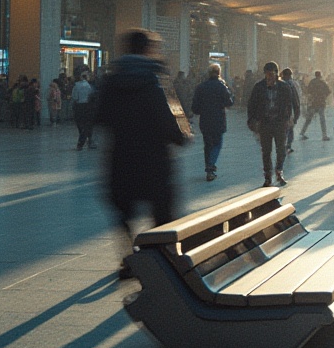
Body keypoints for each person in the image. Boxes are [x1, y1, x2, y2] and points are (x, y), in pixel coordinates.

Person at [97, 30, 188, 278]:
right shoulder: (158, 79)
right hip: (155, 163)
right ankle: (162, 260)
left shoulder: (111, 80)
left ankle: (129, 259)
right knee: (162, 215)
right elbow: (176, 120)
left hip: (121, 161)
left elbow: (99, 115)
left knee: (124, 213)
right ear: (149, 49)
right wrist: (181, 137)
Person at [247, 62, 299, 186]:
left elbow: (294, 103)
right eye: (267, 74)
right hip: (264, 123)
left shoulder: (284, 87)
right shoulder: (259, 87)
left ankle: (279, 170)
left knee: (281, 149)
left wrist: (293, 118)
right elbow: (251, 105)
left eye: (271, 74)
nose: (269, 77)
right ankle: (267, 176)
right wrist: (252, 120)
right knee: (266, 150)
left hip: (280, 122)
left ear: (276, 73)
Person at [191, 63, 234, 182]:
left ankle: (209, 168)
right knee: (217, 144)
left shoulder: (201, 87)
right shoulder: (221, 86)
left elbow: (195, 108)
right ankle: (210, 167)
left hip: (205, 121)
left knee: (207, 145)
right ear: (219, 73)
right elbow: (229, 103)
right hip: (218, 120)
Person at [300, 71, 331, 141]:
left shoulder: (312, 82)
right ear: (320, 75)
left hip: (313, 103)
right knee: (322, 119)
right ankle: (324, 135)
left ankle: (302, 132)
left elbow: (307, 91)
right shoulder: (322, 82)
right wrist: (324, 96)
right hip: (321, 103)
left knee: (308, 119)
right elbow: (328, 91)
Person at [72, 70, 96, 150]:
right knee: (87, 124)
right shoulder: (90, 86)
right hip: (88, 106)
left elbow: (75, 97)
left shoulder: (76, 86)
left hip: (79, 106)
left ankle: (82, 141)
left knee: (80, 124)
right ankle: (88, 140)